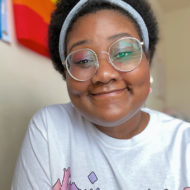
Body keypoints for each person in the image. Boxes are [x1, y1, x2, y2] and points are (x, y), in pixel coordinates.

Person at [11, 0, 190, 189]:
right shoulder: (49, 129)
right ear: (66, 74)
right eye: (83, 60)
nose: (104, 74)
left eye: (123, 53)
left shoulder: (184, 144)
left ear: (147, 59)